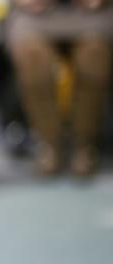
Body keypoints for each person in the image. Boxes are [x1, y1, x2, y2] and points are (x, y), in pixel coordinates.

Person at [7, 0, 113, 177]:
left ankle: (83, 144)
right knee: (33, 59)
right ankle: (49, 143)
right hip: (35, 17)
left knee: (94, 58)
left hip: (90, 17)